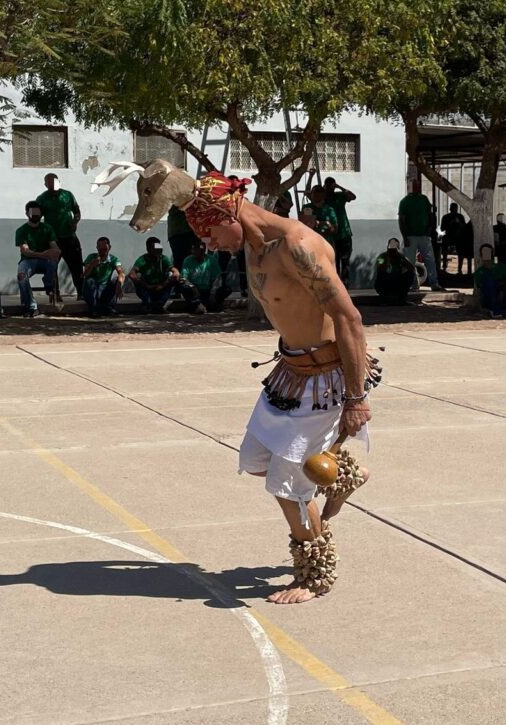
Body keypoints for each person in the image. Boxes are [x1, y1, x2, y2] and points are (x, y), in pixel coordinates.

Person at [102, 159, 380, 605]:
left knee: (286, 484)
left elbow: (349, 317)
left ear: (227, 216)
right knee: (255, 459)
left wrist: (355, 397)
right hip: (289, 374)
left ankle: (314, 571)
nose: (208, 246)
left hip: (330, 379)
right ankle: (342, 475)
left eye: (209, 235)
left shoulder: (297, 245)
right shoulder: (252, 246)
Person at [36, 173, 83, 298]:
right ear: (45, 184)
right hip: (52, 240)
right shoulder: (41, 198)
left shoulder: (67, 195)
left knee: (76, 266)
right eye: (48, 182)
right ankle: (55, 294)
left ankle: (82, 293)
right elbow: (35, 216)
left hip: (69, 237)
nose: (50, 184)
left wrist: (75, 221)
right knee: (52, 267)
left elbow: (76, 211)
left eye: (52, 182)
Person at [16, 200, 60, 318]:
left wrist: (53, 252)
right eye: (33, 213)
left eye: (38, 213)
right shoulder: (21, 231)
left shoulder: (47, 228)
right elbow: (25, 250)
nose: (36, 215)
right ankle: (31, 306)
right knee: (21, 275)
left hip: (46, 260)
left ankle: (48, 284)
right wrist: (43, 254)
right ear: (27, 213)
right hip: (28, 261)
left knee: (53, 261)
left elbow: (55, 247)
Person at [398, 180, 443, 291]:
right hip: (410, 236)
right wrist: (405, 237)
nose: (416, 187)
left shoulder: (424, 199)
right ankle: (414, 283)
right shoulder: (404, 201)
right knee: (410, 262)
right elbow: (401, 220)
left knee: (430, 260)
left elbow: (430, 215)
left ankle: (434, 283)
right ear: (409, 187)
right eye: (414, 185)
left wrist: (429, 230)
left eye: (417, 185)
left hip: (424, 236)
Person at [129, 237, 179, 313]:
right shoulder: (143, 259)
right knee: (137, 278)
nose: (158, 249)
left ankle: (159, 304)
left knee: (174, 278)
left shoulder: (164, 259)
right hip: (148, 287)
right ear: (148, 249)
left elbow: (175, 272)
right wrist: (146, 285)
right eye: (155, 247)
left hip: (161, 287)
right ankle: (148, 303)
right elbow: (132, 274)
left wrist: (163, 284)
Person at [180, 239, 228, 313]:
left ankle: (212, 304)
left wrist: (213, 293)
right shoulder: (188, 260)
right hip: (195, 290)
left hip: (208, 290)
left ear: (203, 250)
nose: (193, 251)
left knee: (226, 289)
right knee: (184, 287)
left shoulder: (211, 260)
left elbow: (217, 278)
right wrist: (192, 286)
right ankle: (198, 304)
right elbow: (184, 278)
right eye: (193, 249)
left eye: (196, 249)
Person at [82, 236, 125, 317]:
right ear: (97, 248)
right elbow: (85, 274)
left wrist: (119, 284)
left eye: (104, 248)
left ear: (109, 247)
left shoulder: (114, 259)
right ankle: (94, 309)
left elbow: (121, 272)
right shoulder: (91, 257)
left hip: (104, 288)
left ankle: (110, 307)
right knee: (89, 281)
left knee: (116, 280)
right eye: (99, 248)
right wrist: (92, 265)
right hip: (92, 289)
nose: (101, 250)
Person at [324, 176, 356, 283]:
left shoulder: (340, 196)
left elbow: (353, 197)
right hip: (332, 236)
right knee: (334, 263)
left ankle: (345, 286)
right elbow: (310, 195)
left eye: (332, 186)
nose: (330, 189)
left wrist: (339, 187)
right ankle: (337, 285)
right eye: (328, 186)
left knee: (345, 263)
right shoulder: (323, 198)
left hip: (344, 234)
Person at [475, 243, 506, 318]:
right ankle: (494, 309)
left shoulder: (502, 267)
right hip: (490, 298)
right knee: (488, 280)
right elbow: (481, 289)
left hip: (504, 296)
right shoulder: (479, 272)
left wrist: (501, 289)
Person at [373, 238, 415, 305]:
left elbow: (411, 268)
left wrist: (402, 258)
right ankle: (384, 299)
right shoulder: (382, 257)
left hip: (397, 282)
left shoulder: (400, 257)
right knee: (381, 275)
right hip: (386, 282)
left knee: (410, 274)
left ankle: (402, 299)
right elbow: (380, 269)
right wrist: (388, 259)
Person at [167, 205, 199, 291]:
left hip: (191, 231)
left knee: (193, 260)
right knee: (179, 260)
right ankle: (179, 288)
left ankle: (193, 288)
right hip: (178, 232)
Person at [439, 203, 467, 271]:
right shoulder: (446, 217)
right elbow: (442, 228)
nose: (454, 210)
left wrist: (459, 223)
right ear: (450, 209)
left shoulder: (460, 217)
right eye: (453, 208)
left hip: (458, 237)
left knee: (461, 249)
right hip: (448, 236)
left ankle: (459, 267)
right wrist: (450, 224)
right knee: (444, 246)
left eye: (455, 209)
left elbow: (464, 228)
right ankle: (445, 265)